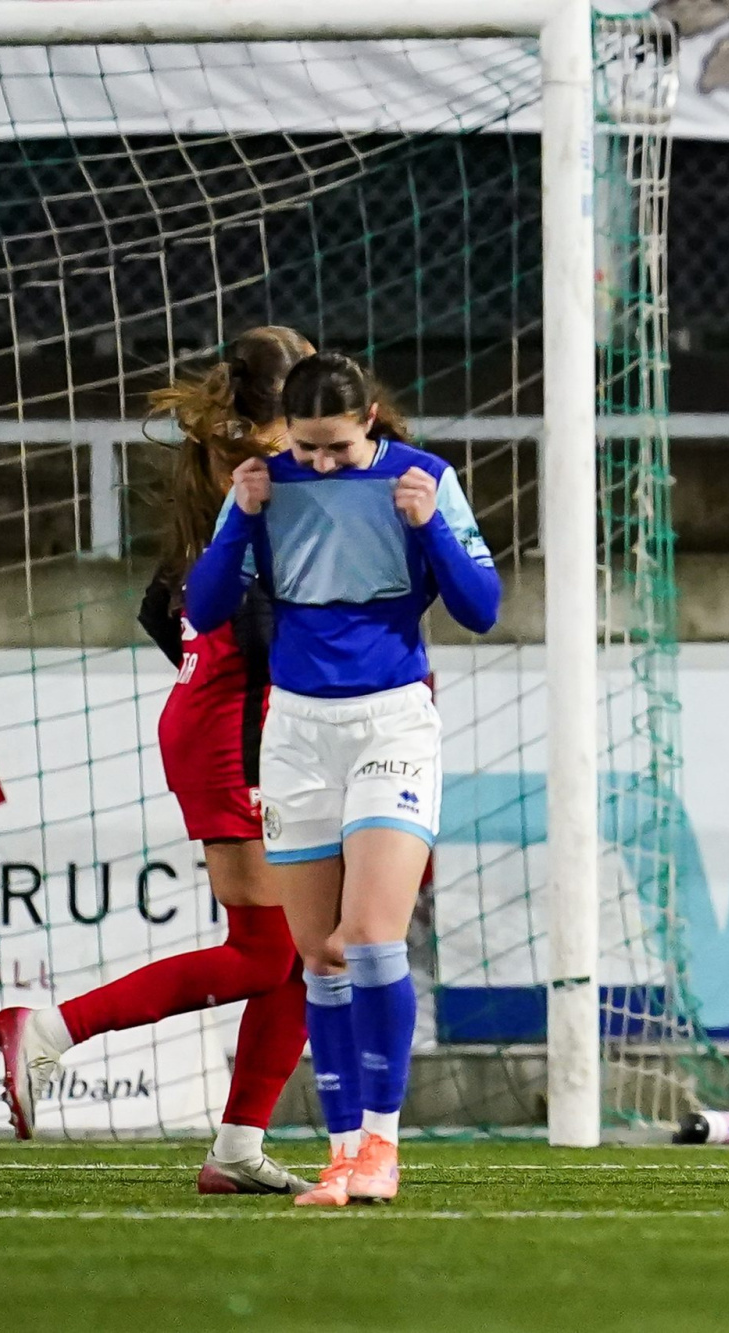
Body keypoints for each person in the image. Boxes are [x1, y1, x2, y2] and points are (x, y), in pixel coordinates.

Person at [0, 327, 317, 1195]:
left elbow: (159, 604)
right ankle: (49, 1028)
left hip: (227, 712)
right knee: (270, 954)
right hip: (236, 731)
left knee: (297, 955)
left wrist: (204, 665)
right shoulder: (270, 467)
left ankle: (238, 1147)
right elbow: (255, 622)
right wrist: (245, 727)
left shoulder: (234, 460)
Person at [187, 351, 500, 1205]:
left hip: (391, 721)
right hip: (294, 730)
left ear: (369, 419)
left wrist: (431, 527)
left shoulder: (422, 478)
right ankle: (342, 1153)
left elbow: (480, 606)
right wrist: (243, 519)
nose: (321, 463)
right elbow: (206, 607)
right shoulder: (263, 484)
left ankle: (383, 1146)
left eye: (338, 445)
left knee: (369, 935)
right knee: (319, 954)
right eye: (307, 446)